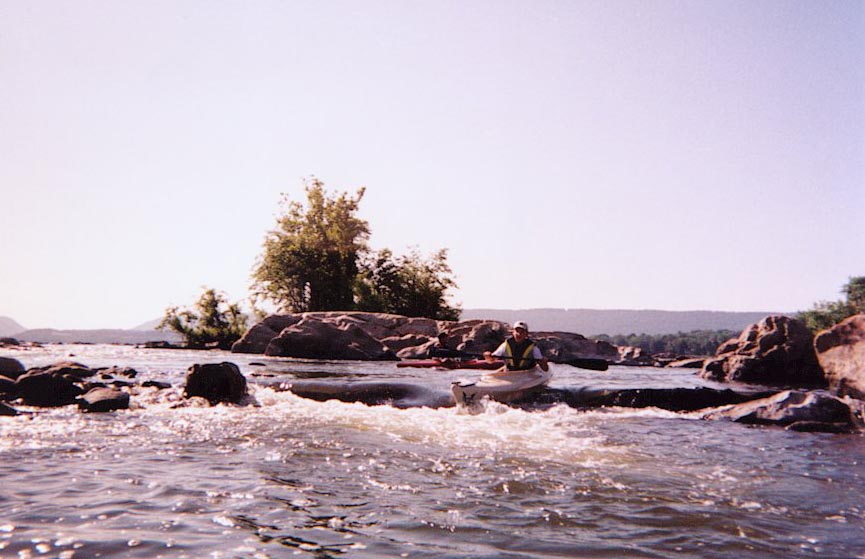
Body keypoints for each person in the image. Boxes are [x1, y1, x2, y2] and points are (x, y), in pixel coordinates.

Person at [484, 321, 549, 372]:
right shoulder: (506, 344)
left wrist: (544, 362)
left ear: (526, 334)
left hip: (528, 372)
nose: (519, 334)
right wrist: (488, 356)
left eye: (522, 332)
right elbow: (491, 361)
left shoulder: (533, 347)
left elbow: (545, 369)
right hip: (510, 372)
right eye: (517, 331)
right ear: (513, 332)